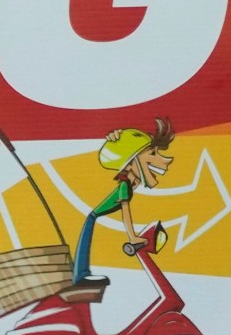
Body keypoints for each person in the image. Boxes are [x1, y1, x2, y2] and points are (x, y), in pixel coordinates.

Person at [62, 118, 175, 304]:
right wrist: (133, 237)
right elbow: (125, 213)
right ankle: (81, 275)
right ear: (131, 163)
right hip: (93, 217)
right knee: (86, 238)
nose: (160, 159)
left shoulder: (133, 181)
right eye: (152, 154)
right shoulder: (124, 186)